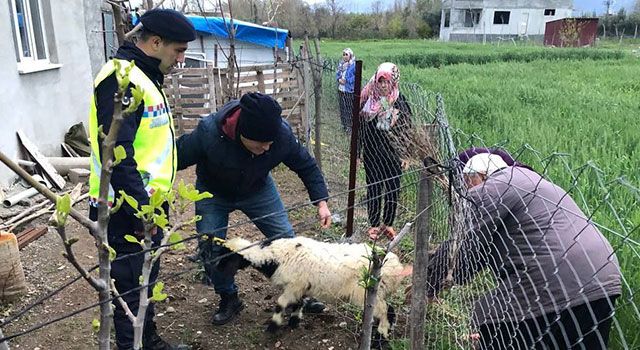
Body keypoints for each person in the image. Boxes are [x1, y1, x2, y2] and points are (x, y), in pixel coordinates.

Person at [426, 151, 622, 350]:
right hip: (604, 274)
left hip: (555, 273)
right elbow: (479, 250)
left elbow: (464, 251)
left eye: (467, 182)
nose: (466, 190)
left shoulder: (488, 190)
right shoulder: (534, 180)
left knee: (492, 317)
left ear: (481, 176)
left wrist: (428, 283)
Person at [87, 9, 195, 350]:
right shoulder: (122, 80)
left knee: (144, 280)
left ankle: (148, 341)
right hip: (125, 206)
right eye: (178, 50)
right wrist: (141, 210)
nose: (181, 59)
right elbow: (116, 155)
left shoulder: (144, 77)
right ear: (155, 42)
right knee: (130, 288)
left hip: (145, 203)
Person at [176, 92, 332, 325]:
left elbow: (306, 165)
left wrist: (321, 202)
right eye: (261, 144)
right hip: (213, 191)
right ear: (242, 133)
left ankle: (299, 295)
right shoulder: (209, 133)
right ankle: (229, 297)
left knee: (286, 242)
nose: (268, 149)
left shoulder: (281, 136)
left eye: (271, 143)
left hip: (257, 190)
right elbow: (174, 157)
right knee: (210, 246)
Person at [359, 62, 412, 240]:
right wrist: (359, 151)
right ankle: (373, 225)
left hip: (393, 154)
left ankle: (387, 224)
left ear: (393, 83)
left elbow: (407, 129)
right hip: (372, 153)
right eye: (380, 81)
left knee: (392, 189)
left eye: (386, 82)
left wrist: (406, 154)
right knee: (373, 188)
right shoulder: (368, 100)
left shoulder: (400, 101)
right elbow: (359, 128)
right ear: (375, 81)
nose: (383, 85)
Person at [335, 48, 356, 132]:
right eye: (343, 54)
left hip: (349, 89)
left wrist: (347, 81)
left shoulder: (353, 65)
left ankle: (349, 126)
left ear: (350, 55)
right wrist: (339, 79)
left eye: (346, 54)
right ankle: (343, 124)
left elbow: (355, 76)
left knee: (349, 108)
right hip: (341, 88)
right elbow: (337, 74)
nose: (345, 56)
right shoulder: (341, 64)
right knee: (342, 107)